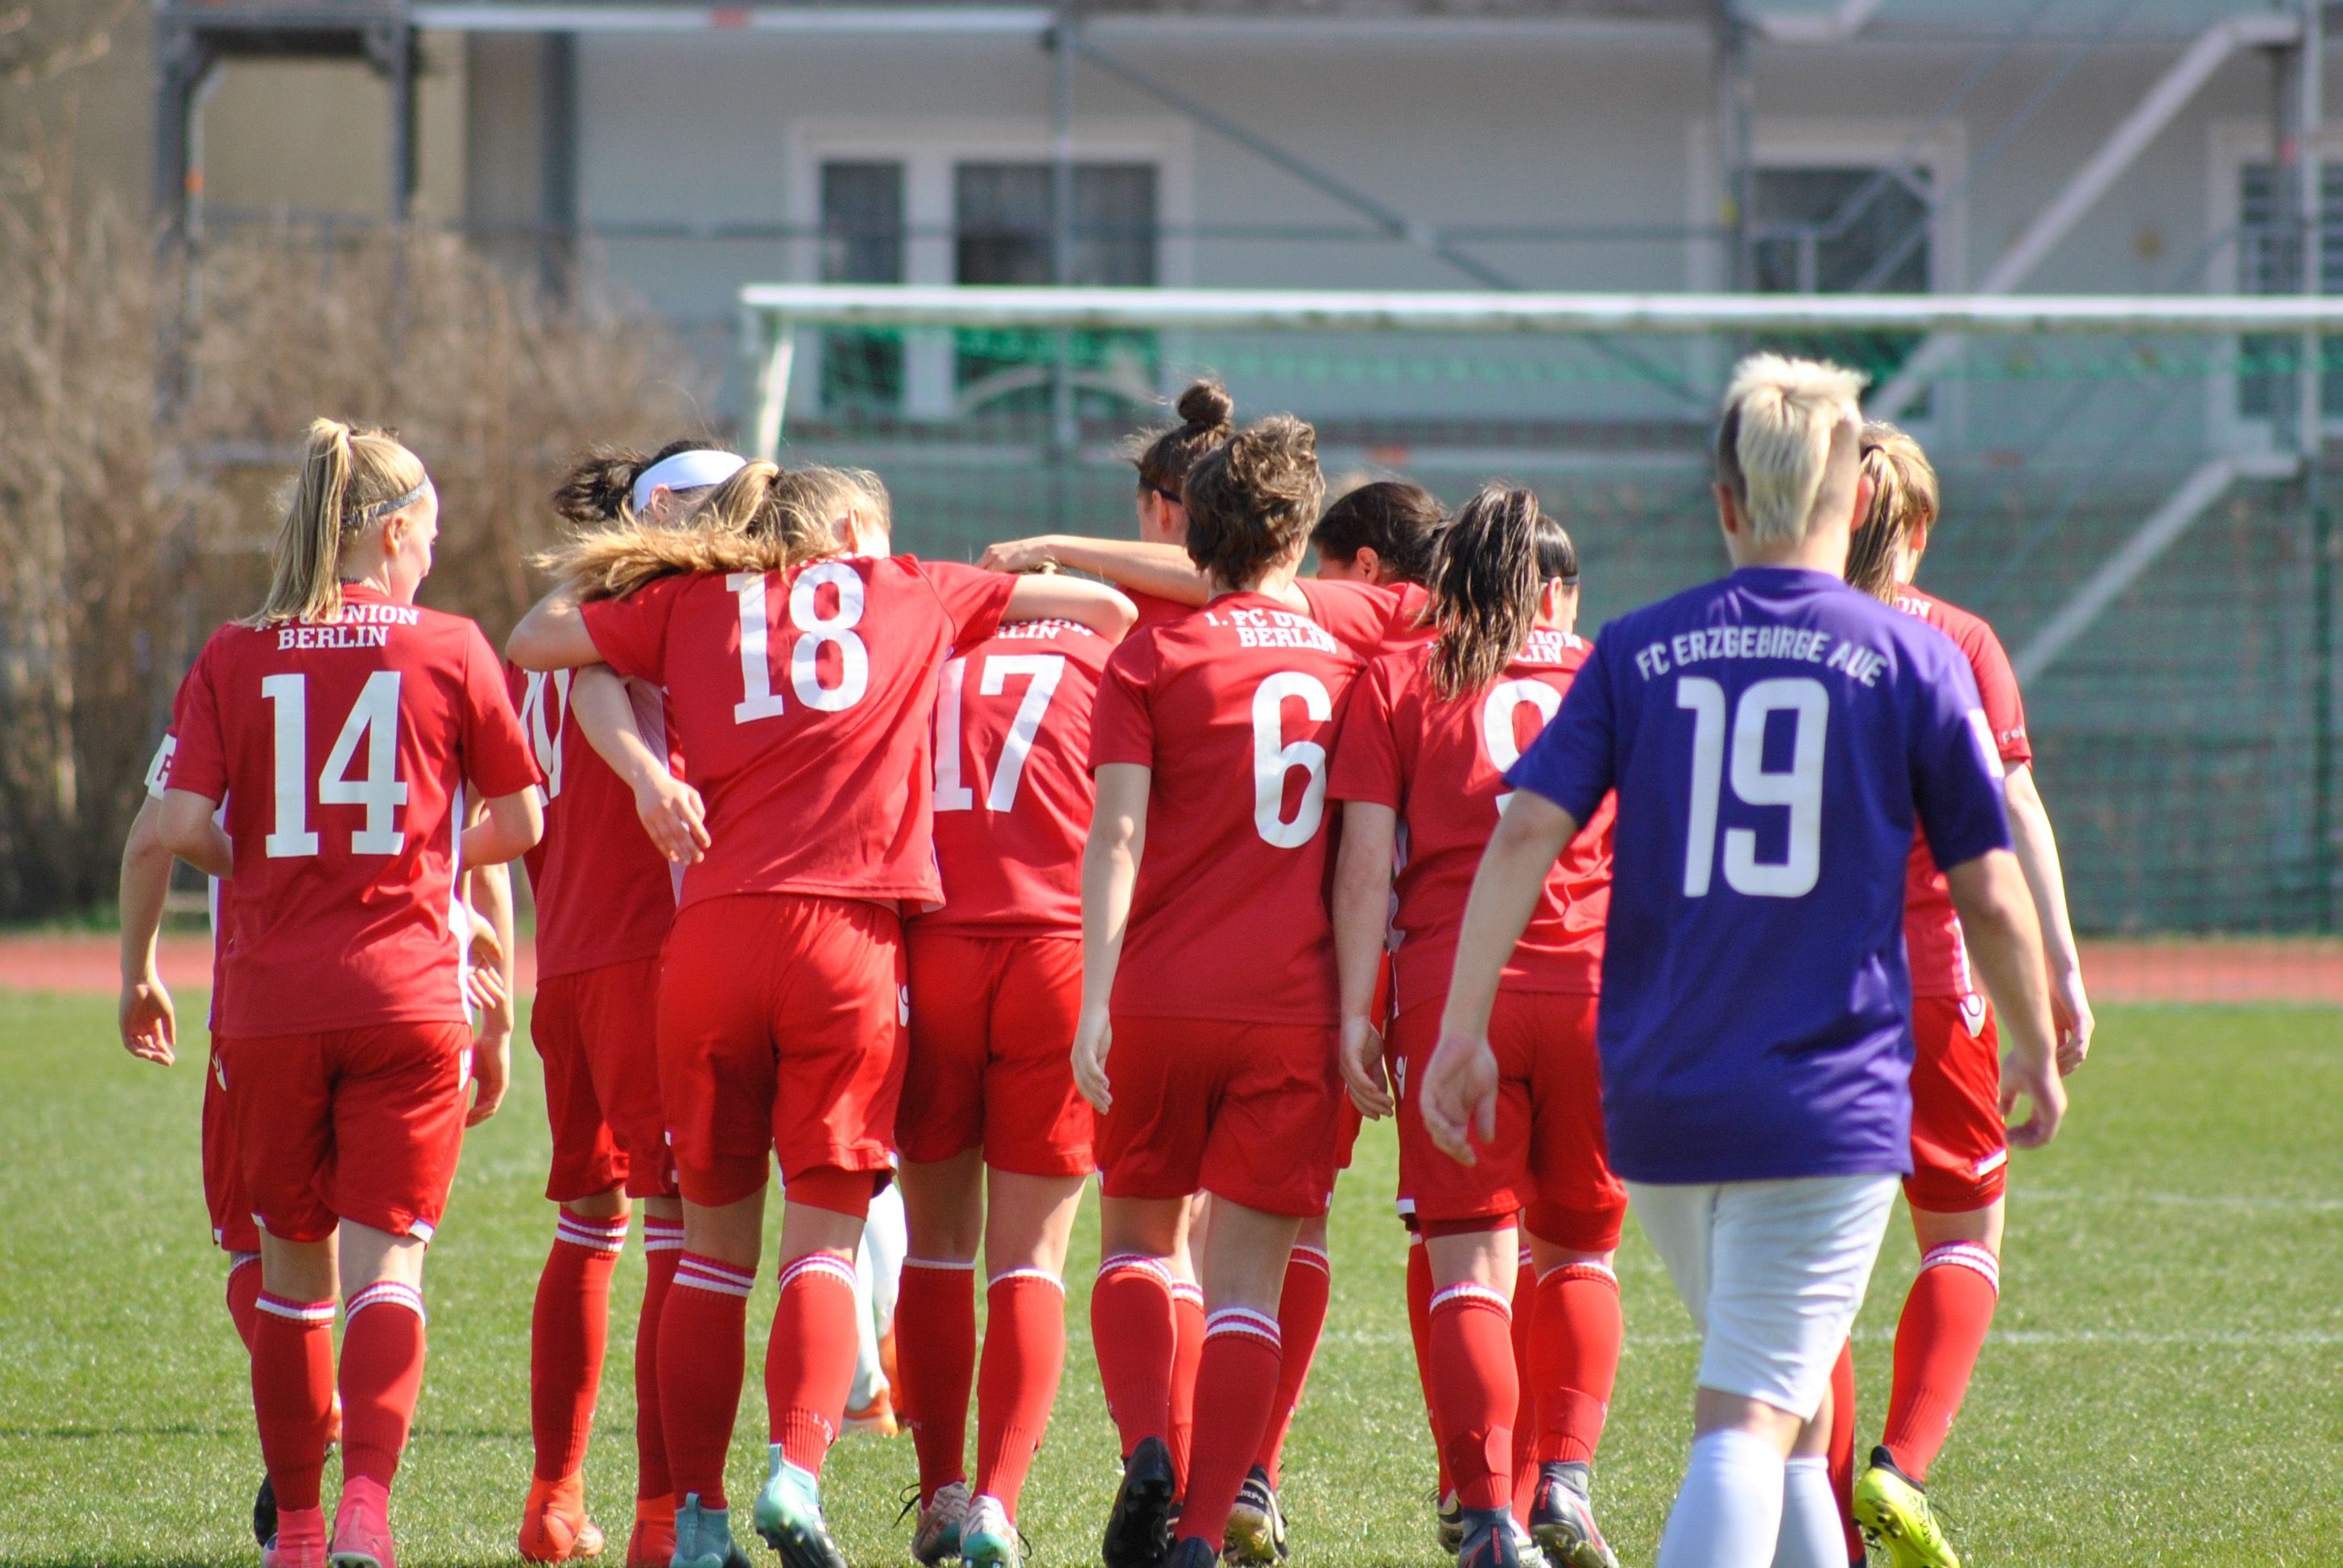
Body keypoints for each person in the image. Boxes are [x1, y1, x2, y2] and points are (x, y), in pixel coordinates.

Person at [1421, 355, 2064, 1568]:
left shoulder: (1635, 647)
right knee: (1747, 1418)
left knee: (1790, 1397)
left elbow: (1520, 830)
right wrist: (2031, 1032)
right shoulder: (1913, 657)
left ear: (1722, 503)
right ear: (1850, 502)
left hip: (1658, 1091)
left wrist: (1459, 1028)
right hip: (1820, 1095)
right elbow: (1985, 876)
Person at [506, 463, 1134, 1568]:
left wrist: (675, 587)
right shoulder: (903, 588)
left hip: (707, 937)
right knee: (826, 1244)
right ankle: (795, 1471)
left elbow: (540, 638)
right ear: (850, 528)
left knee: (705, 1253)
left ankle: (692, 1519)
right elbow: (1106, 611)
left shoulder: (692, 602)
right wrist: (1025, 572)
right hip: (845, 942)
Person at [155, 419, 545, 1568]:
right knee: (391, 1264)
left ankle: (301, 1533)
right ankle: (368, 1512)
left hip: (272, 1002)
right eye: (427, 528)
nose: (433, 549)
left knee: (290, 1276)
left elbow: (180, 826)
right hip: (408, 996)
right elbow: (522, 822)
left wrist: (278, 852)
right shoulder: (454, 645)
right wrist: (420, 850)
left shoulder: (235, 651)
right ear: (387, 529)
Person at [1074, 413, 1364, 1568]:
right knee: (1247, 1280)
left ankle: (1150, 1439)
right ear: (1297, 532)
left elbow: (1115, 836)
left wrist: (1095, 994)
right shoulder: (1351, 662)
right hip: (1291, 1007)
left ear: (1191, 529)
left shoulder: (1149, 656)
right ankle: (1204, 1528)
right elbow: (1358, 858)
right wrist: (1356, 1015)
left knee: (1140, 1242)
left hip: (1159, 995)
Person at [1328, 485, 1625, 1568]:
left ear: (1445, 580)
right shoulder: (1606, 672)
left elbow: (1365, 863)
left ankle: (1489, 1514)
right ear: (1548, 588)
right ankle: (1569, 1485)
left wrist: (1356, 1009)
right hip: (1594, 986)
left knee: (1467, 1267)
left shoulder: (1404, 674)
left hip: (1457, 998)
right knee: (1581, 1253)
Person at [1829, 424, 2095, 1568]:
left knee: (1810, 1264)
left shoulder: (1774, 638)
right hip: (1935, 971)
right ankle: (1899, 1465)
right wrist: (2060, 969)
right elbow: (2013, 810)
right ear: (1919, 527)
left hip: (1798, 978)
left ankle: (1818, 1514)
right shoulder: (1958, 639)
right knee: (1963, 1231)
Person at [513, 439, 746, 1566]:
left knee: (584, 1229)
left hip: (565, 957)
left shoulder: (557, 626)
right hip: (656, 955)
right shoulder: (664, 622)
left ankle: (555, 1496)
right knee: (678, 1239)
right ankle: (662, 1517)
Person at [891, 588, 1122, 1568]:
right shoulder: (1108, 654)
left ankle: (943, 1489)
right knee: (1030, 1258)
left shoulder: (935, 643)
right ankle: (995, 1499)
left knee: (935, 1247)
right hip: (1055, 955)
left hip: (935, 945)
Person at [1309, 478, 1444, 587]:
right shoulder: (1453, 613)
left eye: (1325, 584)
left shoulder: (1394, 615)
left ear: (1367, 567)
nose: (1321, 592)